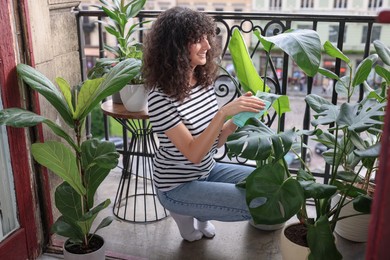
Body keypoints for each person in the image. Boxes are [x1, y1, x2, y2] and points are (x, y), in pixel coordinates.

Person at [142, 7, 266, 242]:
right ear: (176, 46)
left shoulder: (201, 81)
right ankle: (183, 210)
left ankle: (199, 210)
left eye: (207, 38)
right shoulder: (160, 98)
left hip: (208, 170)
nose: (208, 46)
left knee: (266, 185)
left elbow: (214, 141)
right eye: (198, 40)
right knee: (257, 204)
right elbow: (194, 154)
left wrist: (239, 117)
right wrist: (223, 113)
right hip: (176, 186)